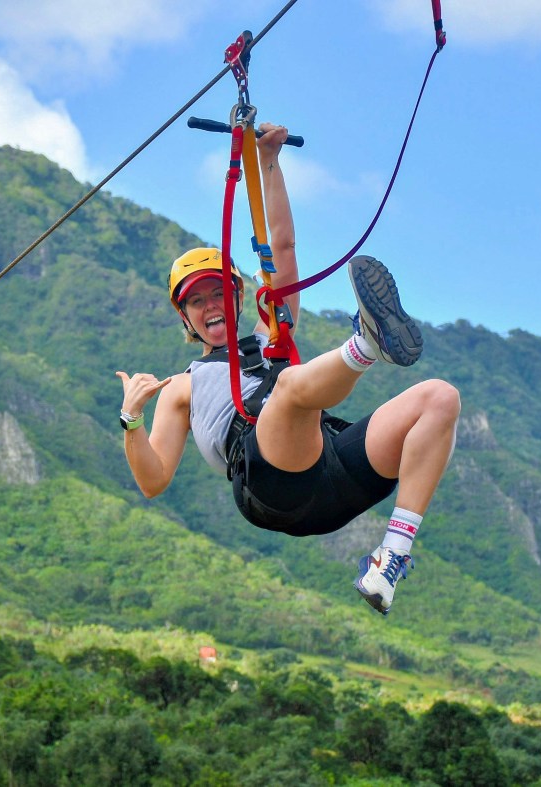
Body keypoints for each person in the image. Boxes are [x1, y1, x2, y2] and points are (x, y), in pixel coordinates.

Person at [115, 123, 460, 616]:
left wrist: (269, 162)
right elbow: (153, 482)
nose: (210, 305)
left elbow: (283, 248)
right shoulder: (182, 388)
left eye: (218, 292)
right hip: (269, 485)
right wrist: (131, 422)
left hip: (330, 475)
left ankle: (389, 561)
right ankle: (366, 343)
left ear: (237, 296)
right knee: (293, 389)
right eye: (196, 301)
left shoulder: (270, 329)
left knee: (439, 397)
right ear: (184, 317)